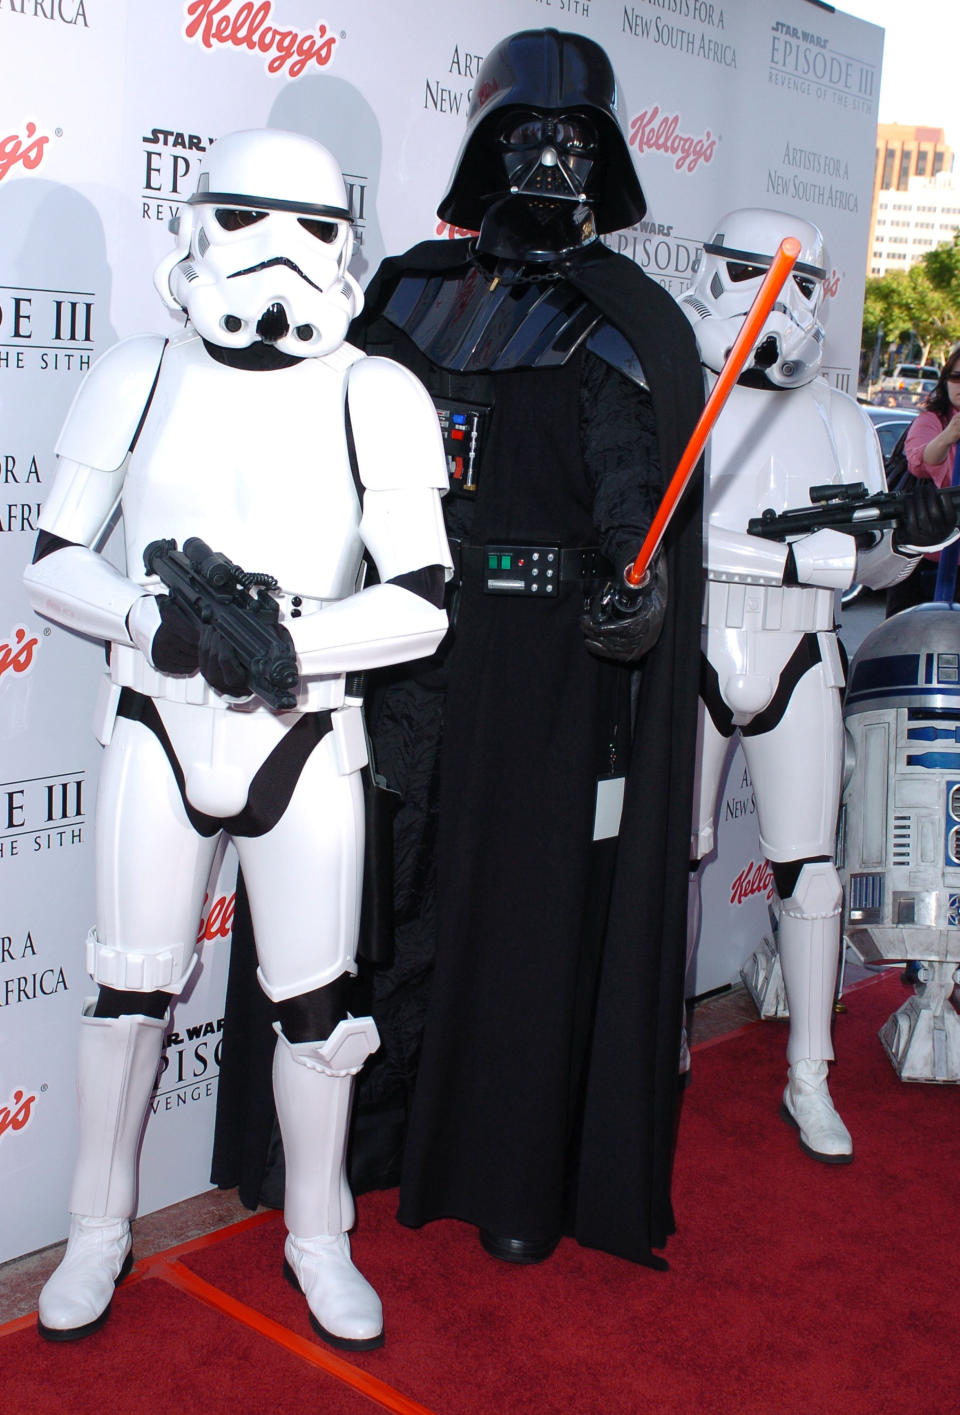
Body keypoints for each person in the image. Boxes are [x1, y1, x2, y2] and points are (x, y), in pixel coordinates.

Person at [23, 128, 451, 1349]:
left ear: (347, 252)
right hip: (159, 723)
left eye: (309, 229)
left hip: (304, 733)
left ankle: (319, 1237)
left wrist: (289, 638)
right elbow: (56, 555)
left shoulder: (376, 390)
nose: (275, 256)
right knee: (126, 991)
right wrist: (156, 622)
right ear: (196, 230)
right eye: (244, 221)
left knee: (316, 1007)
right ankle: (97, 1226)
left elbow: (420, 596)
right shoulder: (138, 374)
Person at [343, 27, 705, 1268]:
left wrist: (633, 592)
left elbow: (632, 491)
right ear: (485, 143)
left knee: (526, 913)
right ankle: (362, 1137)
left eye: (574, 142)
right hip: (406, 640)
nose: (548, 160)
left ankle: (507, 1167)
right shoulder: (400, 294)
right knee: (389, 888)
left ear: (604, 164)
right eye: (527, 136)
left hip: (549, 664)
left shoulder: (623, 324)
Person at [680, 209, 955, 1163]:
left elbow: (869, 568)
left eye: (804, 283)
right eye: (761, 277)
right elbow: (658, 533)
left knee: (810, 866)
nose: (783, 302)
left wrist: (912, 535)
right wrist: (795, 553)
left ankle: (810, 1072)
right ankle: (661, 1041)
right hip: (700, 641)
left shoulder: (839, 415)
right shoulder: (682, 392)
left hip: (801, 654)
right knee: (675, 858)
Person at [885, 343, 960, 614]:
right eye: (955, 377)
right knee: (907, 636)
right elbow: (919, 462)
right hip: (925, 551)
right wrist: (949, 435)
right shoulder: (932, 420)